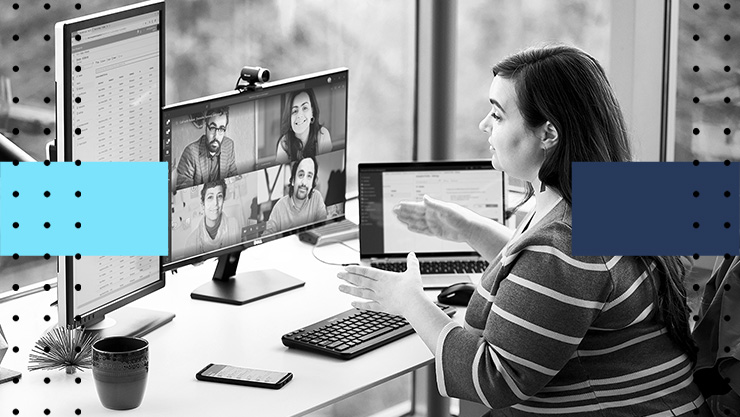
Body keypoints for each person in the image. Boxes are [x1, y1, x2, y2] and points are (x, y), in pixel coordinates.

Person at [337, 44, 710, 416]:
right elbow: (561, 285)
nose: (484, 124)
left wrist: (410, 302)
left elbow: (494, 379)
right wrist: (470, 228)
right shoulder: (618, 195)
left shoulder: (562, 246)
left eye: (498, 116)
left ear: (548, 134)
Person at [176, 107, 237, 189]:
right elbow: (185, 191)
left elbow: (233, 178)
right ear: (206, 126)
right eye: (212, 128)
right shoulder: (190, 153)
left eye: (221, 129)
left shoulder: (229, 145)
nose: (216, 136)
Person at [264, 156, 327, 235]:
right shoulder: (280, 206)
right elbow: (267, 235)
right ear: (293, 180)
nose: (304, 182)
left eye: (309, 176)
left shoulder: (317, 198)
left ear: (312, 184)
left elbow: (324, 226)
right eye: (301, 175)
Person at [275, 88, 332, 164]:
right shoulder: (284, 144)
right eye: (295, 111)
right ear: (289, 117)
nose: (300, 115)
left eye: (305, 108)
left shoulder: (323, 135)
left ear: (312, 112)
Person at [186, 179, 241, 254]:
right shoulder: (191, 242)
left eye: (219, 196)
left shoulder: (233, 224)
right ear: (203, 204)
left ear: (223, 200)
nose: (215, 203)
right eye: (210, 197)